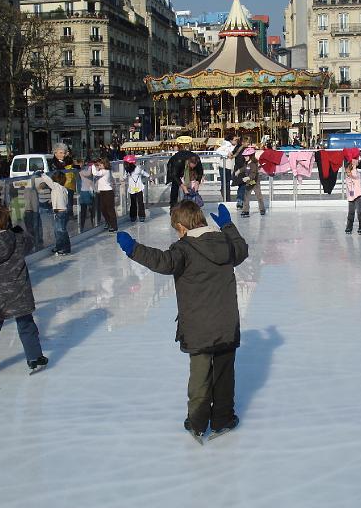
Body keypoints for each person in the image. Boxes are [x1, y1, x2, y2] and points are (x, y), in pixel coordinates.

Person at [115, 202, 248, 443]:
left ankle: (197, 423)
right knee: (224, 375)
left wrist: (134, 249)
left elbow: (161, 261)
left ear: (180, 227)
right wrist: (228, 225)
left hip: (198, 328)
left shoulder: (183, 250)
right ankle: (223, 419)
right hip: (226, 324)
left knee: (200, 376)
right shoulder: (225, 244)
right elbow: (242, 249)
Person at [0, 205, 47, 376]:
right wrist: (18, 230)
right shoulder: (17, 239)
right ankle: (35, 359)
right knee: (26, 325)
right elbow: (30, 242)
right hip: (18, 292)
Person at [39, 171, 70, 255]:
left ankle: (65, 248)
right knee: (58, 231)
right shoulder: (63, 188)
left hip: (61, 213)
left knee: (60, 231)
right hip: (61, 212)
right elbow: (64, 200)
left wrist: (42, 174)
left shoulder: (56, 186)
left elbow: (48, 181)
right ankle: (59, 246)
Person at [48, 143, 76, 217]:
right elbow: (58, 169)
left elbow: (76, 166)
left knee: (69, 201)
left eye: (64, 153)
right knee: (61, 205)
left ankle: (69, 215)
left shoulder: (66, 160)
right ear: (55, 153)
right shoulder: (53, 162)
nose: (63, 155)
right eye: (60, 153)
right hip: (58, 187)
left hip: (68, 185)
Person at [92, 157, 117, 232]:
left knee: (110, 209)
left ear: (104, 164)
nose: (99, 165)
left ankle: (114, 226)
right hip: (102, 192)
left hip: (108, 192)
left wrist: (93, 165)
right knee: (103, 209)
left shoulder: (105, 171)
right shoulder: (102, 170)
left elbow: (95, 173)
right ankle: (108, 222)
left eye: (100, 164)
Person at [240, 147, 265, 218]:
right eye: (244, 156)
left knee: (258, 195)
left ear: (251, 156)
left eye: (246, 156)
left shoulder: (253, 164)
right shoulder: (247, 163)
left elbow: (253, 174)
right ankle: (245, 210)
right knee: (246, 196)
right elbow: (244, 168)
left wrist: (248, 178)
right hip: (249, 182)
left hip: (255, 182)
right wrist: (239, 171)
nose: (245, 157)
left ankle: (262, 209)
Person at [123, 155, 148, 222]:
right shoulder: (128, 170)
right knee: (137, 202)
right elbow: (144, 173)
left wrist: (149, 176)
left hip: (136, 188)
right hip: (134, 189)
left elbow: (143, 173)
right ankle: (137, 216)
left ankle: (136, 216)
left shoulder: (136, 169)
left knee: (137, 203)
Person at [345, 158, 361, 235]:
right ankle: (349, 227)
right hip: (351, 197)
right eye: (346, 172)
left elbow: (354, 175)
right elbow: (349, 188)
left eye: (348, 171)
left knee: (360, 212)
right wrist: (350, 196)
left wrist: (354, 166)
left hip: (358, 196)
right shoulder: (347, 178)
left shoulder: (356, 174)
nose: (348, 173)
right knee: (351, 212)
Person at [215, 135, 237, 202]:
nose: (236, 141)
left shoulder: (235, 146)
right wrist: (227, 154)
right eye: (235, 140)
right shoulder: (226, 145)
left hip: (229, 166)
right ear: (231, 140)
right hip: (223, 166)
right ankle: (226, 197)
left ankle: (227, 196)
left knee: (227, 182)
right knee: (225, 182)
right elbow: (218, 151)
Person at [77, 159, 96, 231]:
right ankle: (82, 226)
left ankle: (93, 223)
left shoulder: (85, 168)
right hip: (84, 192)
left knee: (92, 209)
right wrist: (91, 166)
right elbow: (88, 174)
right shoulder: (80, 170)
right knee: (84, 210)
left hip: (89, 190)